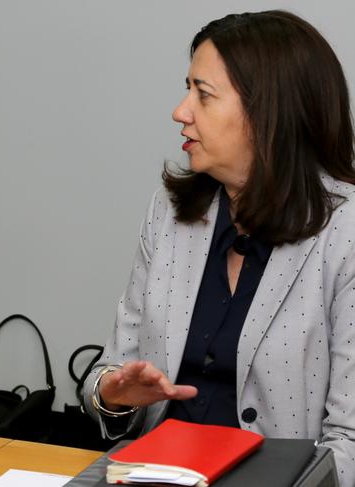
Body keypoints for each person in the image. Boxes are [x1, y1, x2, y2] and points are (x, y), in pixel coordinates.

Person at [83, 10, 355, 484]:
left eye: (203, 95)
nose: (180, 111)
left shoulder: (345, 232)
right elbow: (109, 370)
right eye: (187, 89)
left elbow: (348, 441)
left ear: (269, 113)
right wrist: (113, 394)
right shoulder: (171, 212)